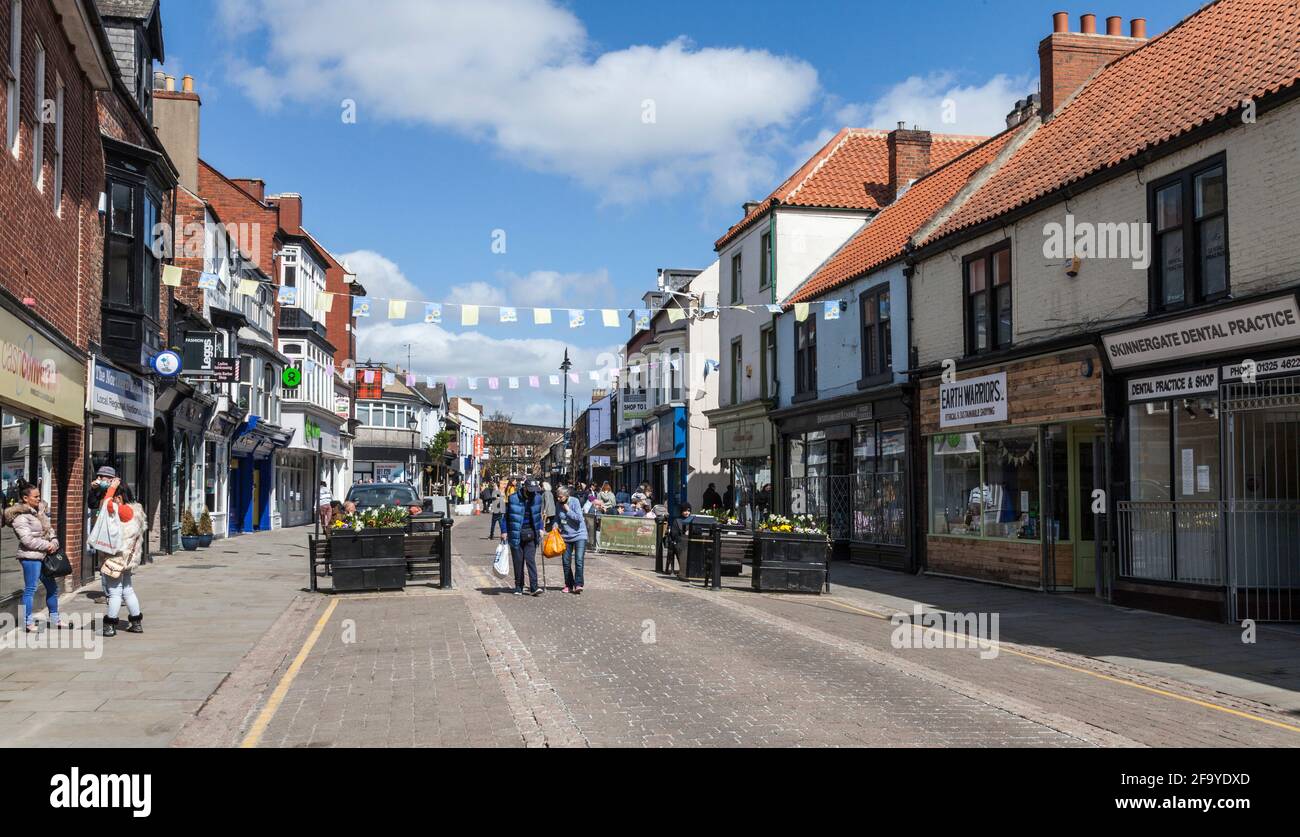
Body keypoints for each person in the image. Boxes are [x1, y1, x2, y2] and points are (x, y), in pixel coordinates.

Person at [5, 482, 61, 632]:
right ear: (25, 498)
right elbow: (27, 540)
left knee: (53, 588)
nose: (39, 499)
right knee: (31, 588)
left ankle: (55, 618)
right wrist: (47, 545)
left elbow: (50, 531)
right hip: (30, 557)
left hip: (44, 556)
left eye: (39, 496)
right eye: (35, 496)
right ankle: (27, 622)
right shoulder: (20, 517)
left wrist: (54, 542)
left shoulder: (39, 513)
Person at [99, 484, 146, 636]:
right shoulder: (136, 511)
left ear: (119, 497)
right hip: (129, 558)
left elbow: (106, 503)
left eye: (115, 497)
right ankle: (136, 623)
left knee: (114, 593)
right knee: (127, 590)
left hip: (117, 558)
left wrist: (111, 488)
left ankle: (110, 625)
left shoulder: (122, 510)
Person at [502, 478, 548, 596]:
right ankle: (519, 586)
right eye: (531, 490)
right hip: (516, 532)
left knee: (530, 560)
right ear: (525, 488)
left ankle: (534, 587)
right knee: (518, 561)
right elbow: (505, 517)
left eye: (535, 490)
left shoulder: (537, 498)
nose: (533, 492)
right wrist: (504, 531)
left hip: (531, 533)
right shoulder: (513, 498)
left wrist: (541, 528)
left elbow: (538, 516)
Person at [552, 485, 588, 594]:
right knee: (566, 561)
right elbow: (557, 518)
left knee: (579, 560)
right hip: (566, 536)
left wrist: (568, 511)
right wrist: (554, 525)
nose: (558, 499)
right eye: (557, 497)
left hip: (579, 535)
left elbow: (579, 518)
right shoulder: (558, 504)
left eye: (561, 497)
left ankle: (578, 584)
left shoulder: (575, 502)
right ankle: (568, 584)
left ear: (567, 495)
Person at [665, 502, 694, 575]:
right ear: (681, 511)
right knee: (681, 547)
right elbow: (674, 534)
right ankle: (683, 567)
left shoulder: (693, 520)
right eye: (685, 511)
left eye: (688, 511)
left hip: (691, 541)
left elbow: (697, 530)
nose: (687, 512)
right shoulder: (677, 520)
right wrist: (683, 536)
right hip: (680, 542)